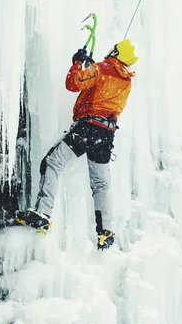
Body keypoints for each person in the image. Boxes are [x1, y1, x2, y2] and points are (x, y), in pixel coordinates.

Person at [15, 39, 138, 250]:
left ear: (116, 51)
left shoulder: (101, 69)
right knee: (100, 183)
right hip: (106, 135)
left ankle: (43, 213)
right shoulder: (126, 81)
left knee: (53, 162)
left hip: (88, 128)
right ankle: (105, 232)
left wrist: (78, 63)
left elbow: (73, 83)